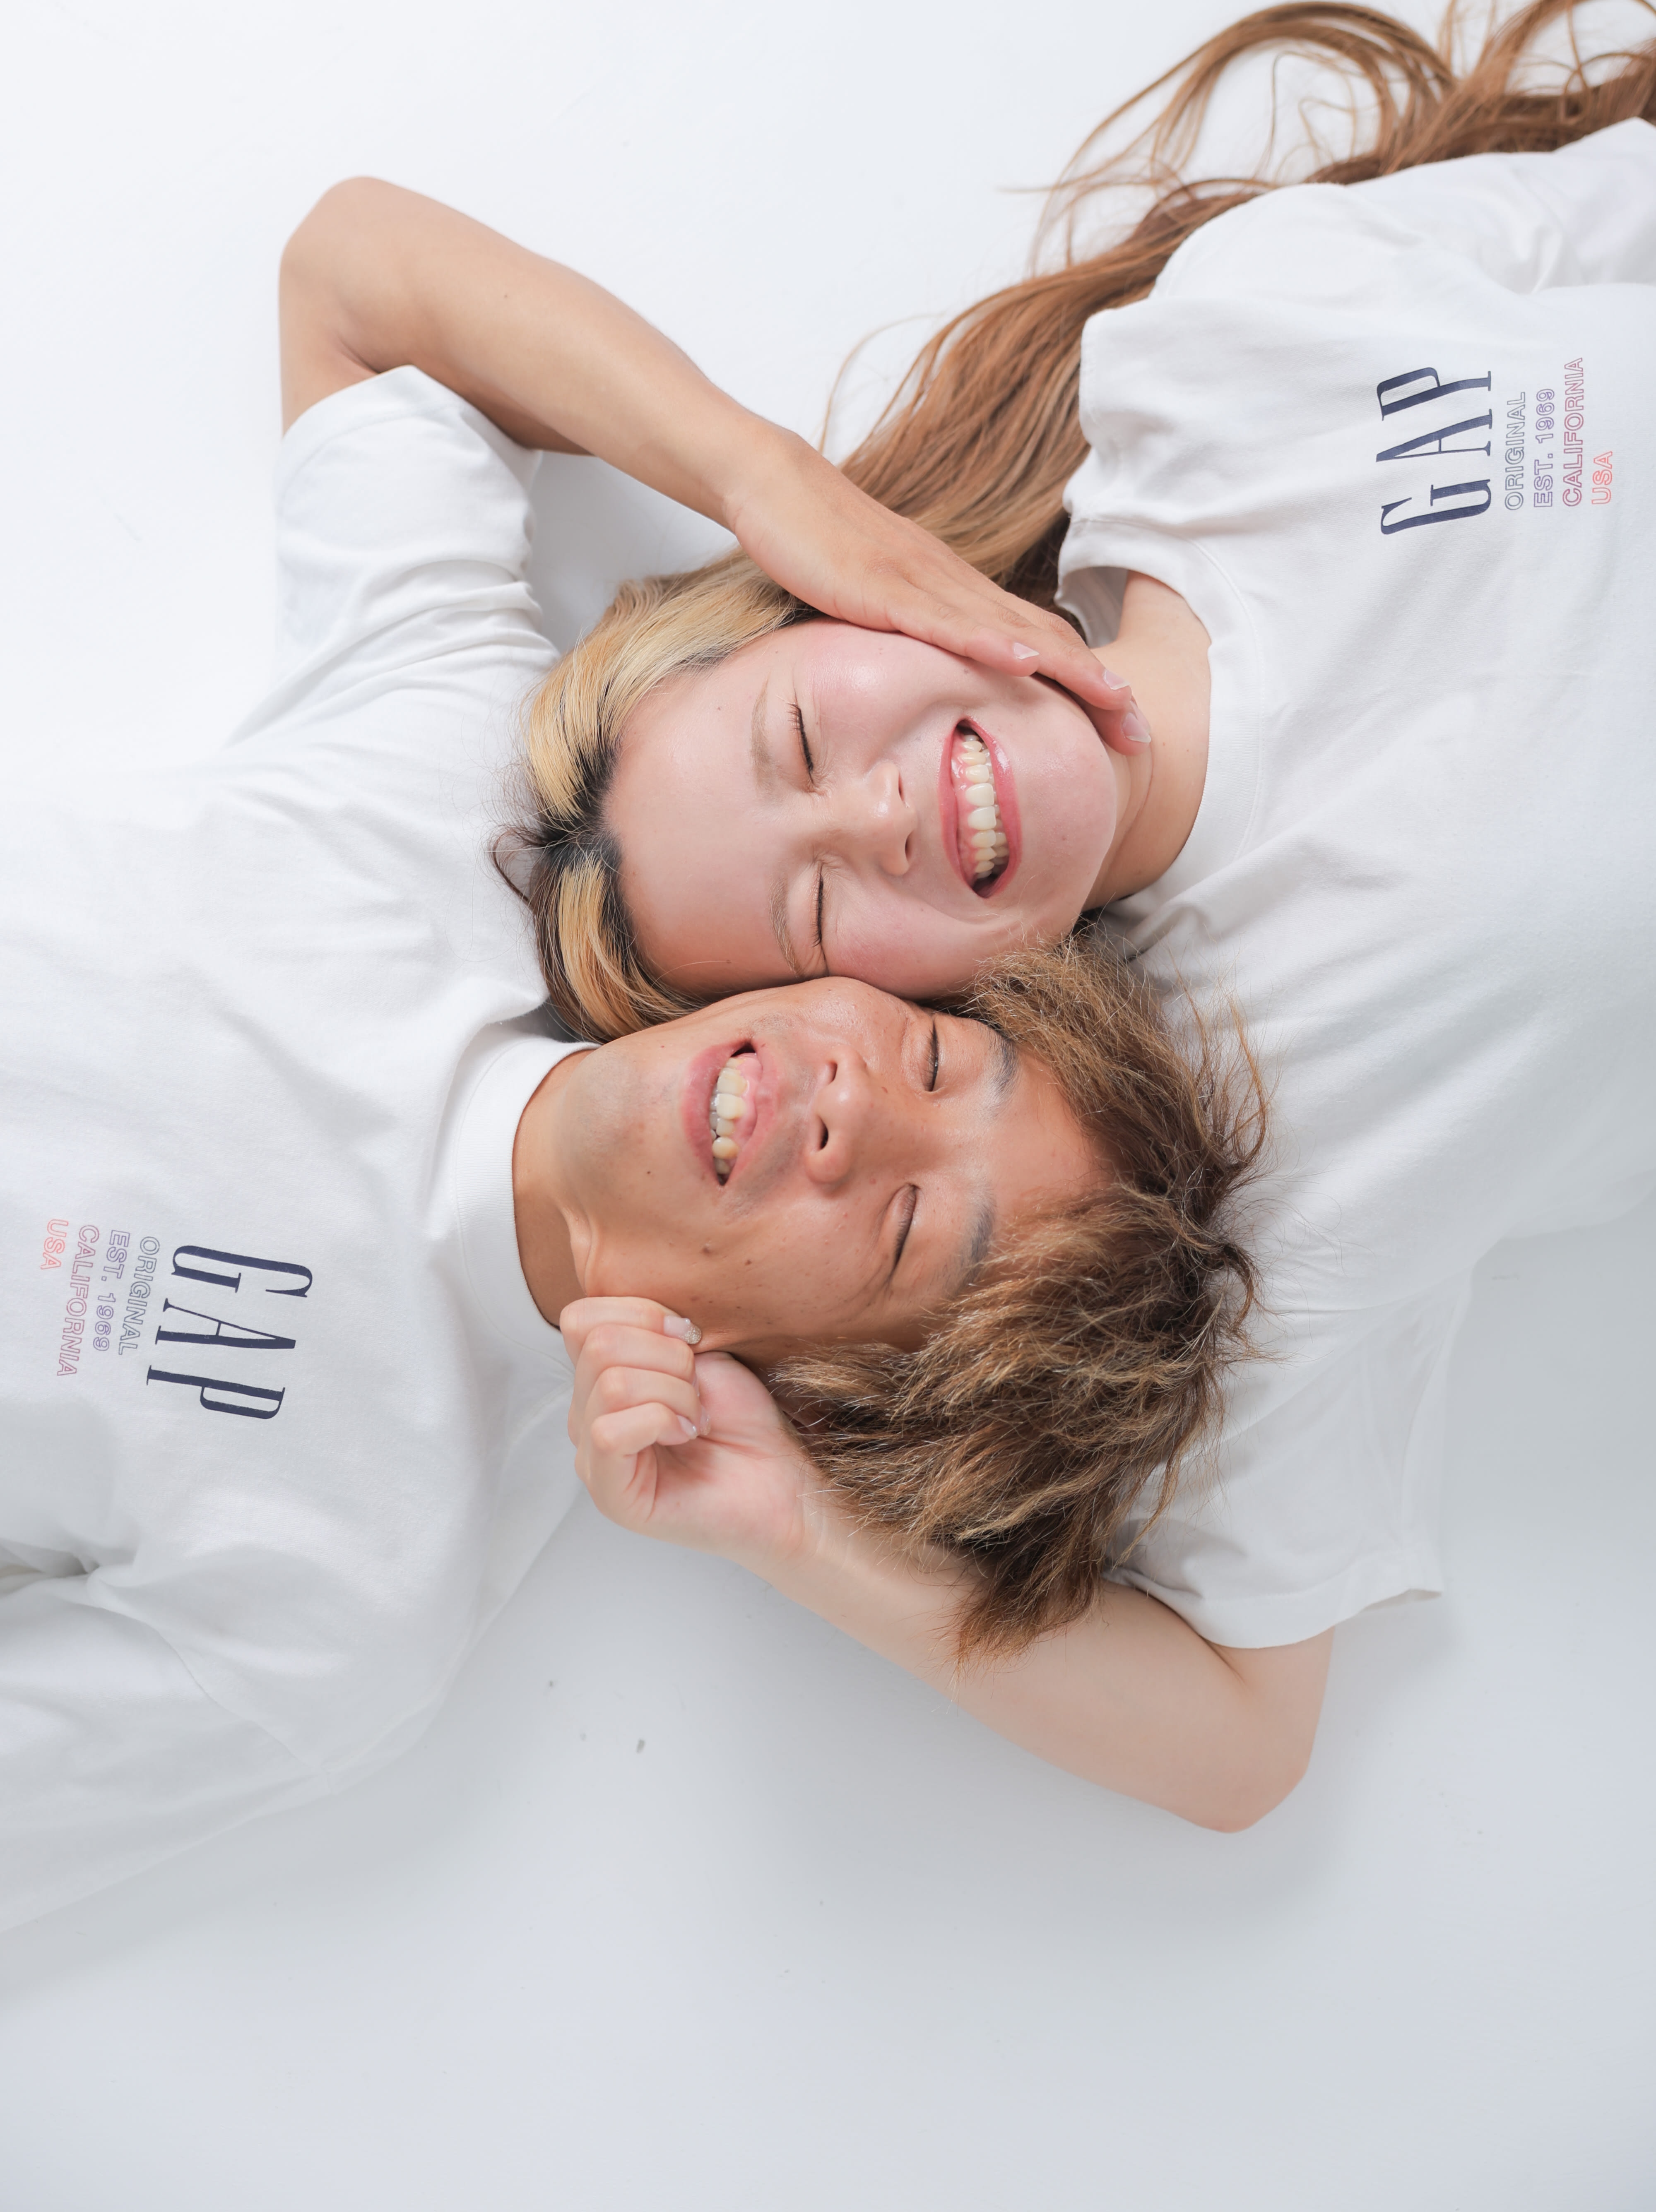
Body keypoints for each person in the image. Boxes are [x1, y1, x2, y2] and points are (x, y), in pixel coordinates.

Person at [349, 0, 1656, 1794]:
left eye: (800, 738)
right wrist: (790, 1528)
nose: (875, 814)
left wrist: (761, 478)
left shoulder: (1228, 347)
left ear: (838, 602)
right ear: (906, 1008)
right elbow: (1238, 1744)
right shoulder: (1262, 1117)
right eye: (816, 910)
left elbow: (361, 268)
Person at [1, 232, 1285, 1936]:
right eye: (930, 1054)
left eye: (906, 1227)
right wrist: (770, 483)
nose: (848, 1106)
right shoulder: (449, 810)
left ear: (815, 1387)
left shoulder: (348, 1604)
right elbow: (360, 286)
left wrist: (797, 1533)